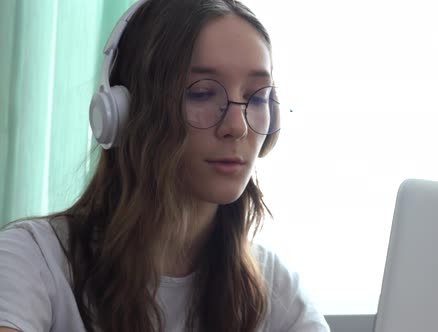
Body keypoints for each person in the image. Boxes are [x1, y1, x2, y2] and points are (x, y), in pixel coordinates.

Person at [0, 0, 330, 331]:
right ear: (124, 112)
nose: (238, 126)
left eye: (256, 98)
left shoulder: (278, 291)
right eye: (202, 94)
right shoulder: (33, 260)